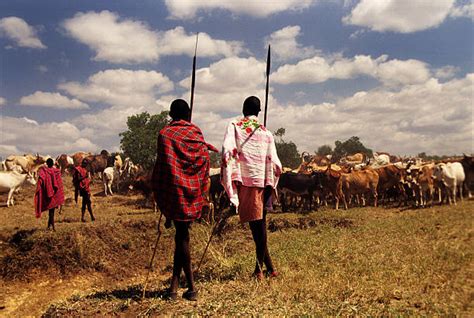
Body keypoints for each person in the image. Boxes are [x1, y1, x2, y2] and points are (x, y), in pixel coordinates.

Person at [152, 99, 218, 301]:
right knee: (182, 237)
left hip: (175, 193)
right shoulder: (196, 133)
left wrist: (161, 190)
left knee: (182, 238)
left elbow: (162, 167)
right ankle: (183, 287)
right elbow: (203, 162)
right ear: (188, 114)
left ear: (171, 114)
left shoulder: (165, 134)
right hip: (192, 193)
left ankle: (185, 288)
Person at [221, 96, 282, 279]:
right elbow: (276, 163)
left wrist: (230, 173)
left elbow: (227, 150)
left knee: (258, 228)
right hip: (265, 182)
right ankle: (270, 268)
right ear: (259, 111)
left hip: (248, 182)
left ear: (243, 109)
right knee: (259, 225)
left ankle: (258, 270)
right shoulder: (267, 133)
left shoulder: (234, 126)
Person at [35, 158, 65, 231]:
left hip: (48, 194)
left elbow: (40, 181)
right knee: (52, 212)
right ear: (53, 164)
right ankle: (53, 228)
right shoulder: (57, 172)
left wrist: (39, 190)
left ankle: (49, 227)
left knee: (51, 212)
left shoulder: (43, 171)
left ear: (47, 164)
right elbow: (59, 184)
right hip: (54, 194)